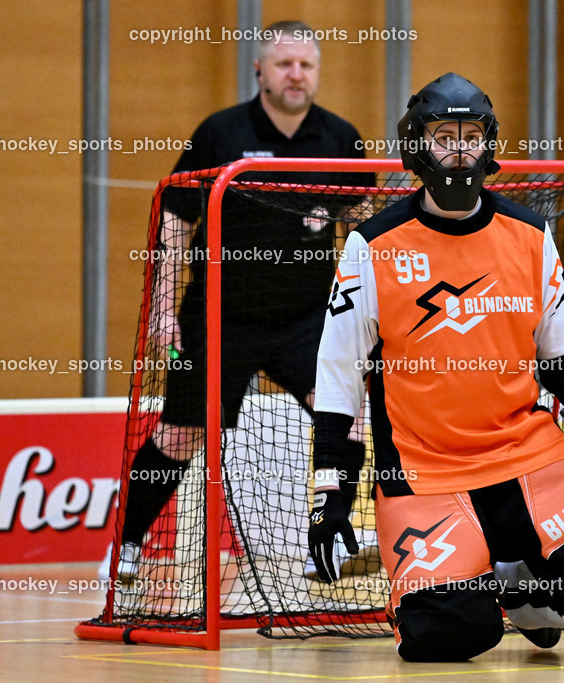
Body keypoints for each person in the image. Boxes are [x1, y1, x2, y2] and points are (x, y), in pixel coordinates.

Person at [307, 72, 564, 662]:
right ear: (417, 146)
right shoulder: (371, 245)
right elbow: (339, 378)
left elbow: (559, 350)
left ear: (489, 145)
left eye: (472, 135)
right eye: (446, 135)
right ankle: (456, 589)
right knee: (450, 635)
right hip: (423, 474)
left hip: (527, 457)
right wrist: (330, 495)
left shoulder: (530, 234)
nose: (460, 149)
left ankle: (520, 591)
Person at [111, 20, 374, 583]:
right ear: (260, 70)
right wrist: (162, 305)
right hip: (216, 316)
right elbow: (178, 221)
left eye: (307, 65)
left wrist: (368, 314)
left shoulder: (341, 139)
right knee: (180, 435)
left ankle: (324, 543)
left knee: (348, 425)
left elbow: (360, 227)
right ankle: (127, 545)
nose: (296, 75)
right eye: (285, 64)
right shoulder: (221, 133)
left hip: (306, 319)